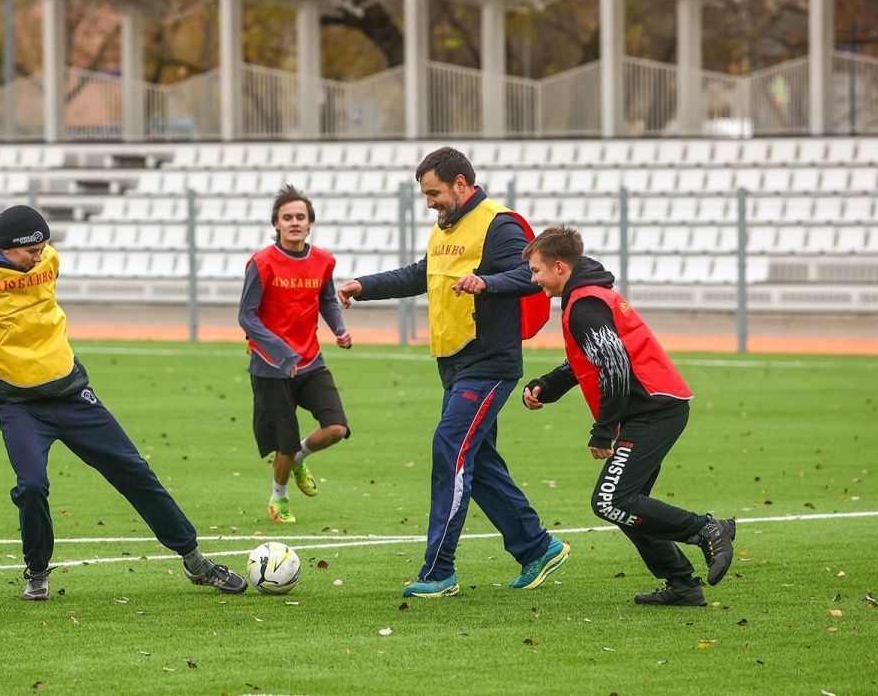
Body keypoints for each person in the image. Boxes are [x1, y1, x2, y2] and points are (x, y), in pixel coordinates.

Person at [0, 205, 246, 600]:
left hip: (72, 393)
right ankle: (37, 571)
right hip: (18, 405)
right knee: (32, 486)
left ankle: (196, 562)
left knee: (134, 471)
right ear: (6, 248)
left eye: (44, 246)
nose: (40, 256)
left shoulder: (49, 259)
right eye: (31, 251)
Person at [336, 147, 567, 598]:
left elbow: (529, 276)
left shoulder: (498, 224)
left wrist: (487, 283)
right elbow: (421, 274)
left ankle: (439, 570)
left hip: (488, 363)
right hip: (455, 364)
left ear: (461, 183)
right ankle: (537, 547)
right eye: (426, 195)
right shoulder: (445, 229)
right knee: (476, 459)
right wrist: (364, 287)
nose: (430, 203)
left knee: (450, 449)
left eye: (435, 193)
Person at [520, 226, 736, 607]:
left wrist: (603, 431)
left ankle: (706, 529)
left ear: (559, 266)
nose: (533, 279)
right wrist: (547, 386)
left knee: (610, 500)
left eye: (536, 271)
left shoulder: (585, 305)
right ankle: (683, 584)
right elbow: (592, 360)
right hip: (657, 406)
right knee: (628, 504)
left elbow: (615, 364)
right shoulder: (590, 296)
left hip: (654, 410)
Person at [238, 184, 352, 524]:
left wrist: (339, 328)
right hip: (271, 368)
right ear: (276, 223)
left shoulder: (323, 261)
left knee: (337, 429)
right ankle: (279, 497)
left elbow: (327, 300)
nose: (294, 222)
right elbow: (246, 316)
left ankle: (300, 457)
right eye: (287, 217)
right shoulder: (261, 263)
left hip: (311, 361)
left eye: (300, 216)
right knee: (282, 445)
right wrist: (280, 352)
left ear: (309, 222)